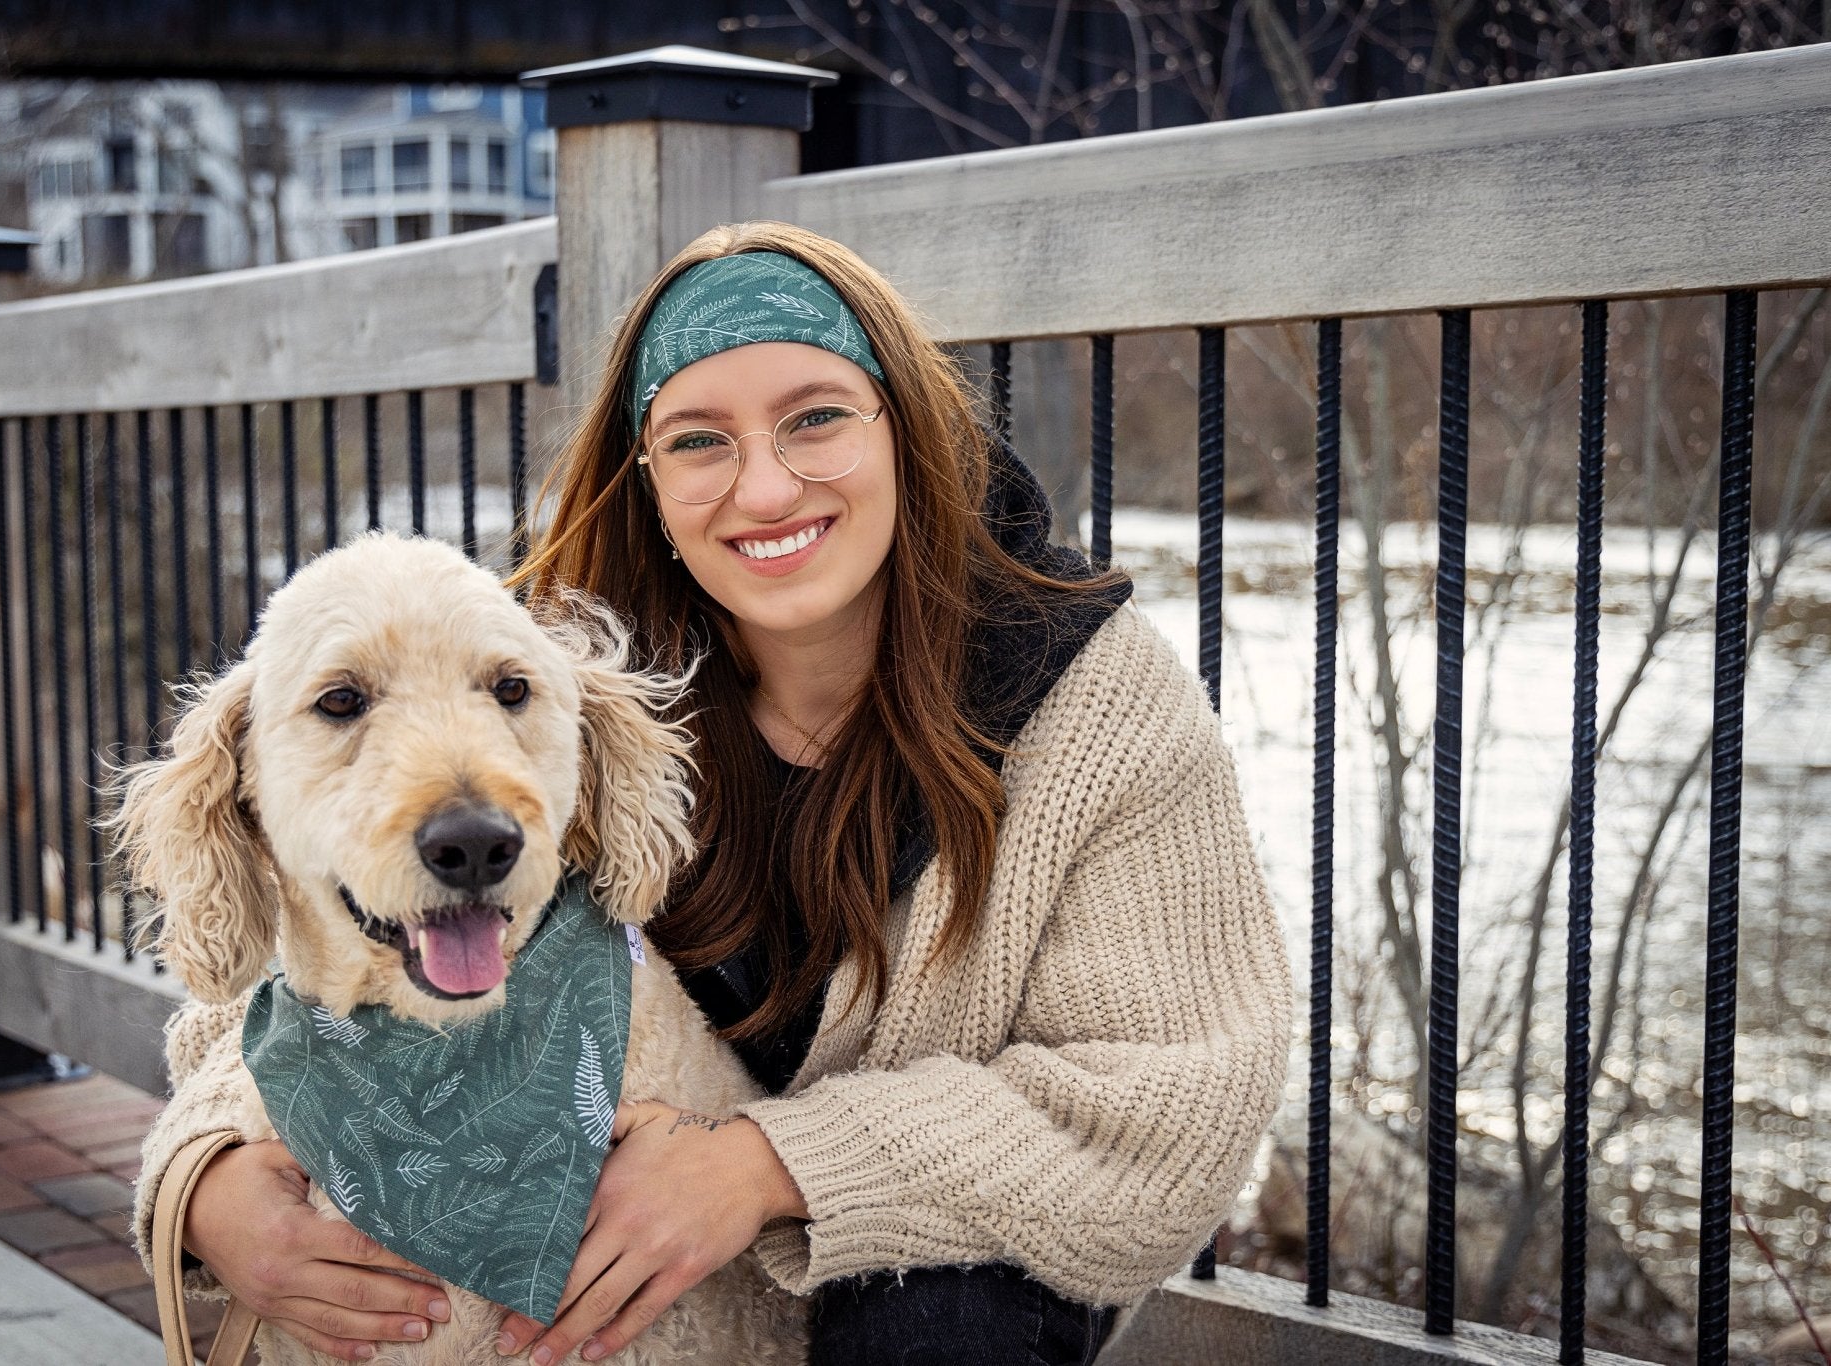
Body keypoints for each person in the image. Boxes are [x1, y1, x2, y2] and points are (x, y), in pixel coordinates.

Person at [131, 222, 1292, 1366]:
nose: (766, 487)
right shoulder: (559, 673)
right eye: (698, 440)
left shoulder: (1096, 699)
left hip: (957, 1238)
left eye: (816, 418)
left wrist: (764, 1164)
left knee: (926, 1324)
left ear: (906, 426)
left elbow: (1170, 1104)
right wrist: (205, 1172)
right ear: (646, 476)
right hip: (631, 1280)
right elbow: (323, 952)